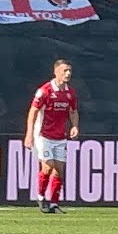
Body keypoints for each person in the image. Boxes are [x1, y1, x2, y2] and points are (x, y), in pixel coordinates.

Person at [24, 59, 80, 214]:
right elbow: (33, 112)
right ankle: (41, 197)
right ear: (56, 72)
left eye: (69, 70)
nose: (68, 73)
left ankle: (54, 203)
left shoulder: (70, 93)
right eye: (64, 70)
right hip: (43, 135)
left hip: (60, 136)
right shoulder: (45, 91)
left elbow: (73, 111)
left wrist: (75, 126)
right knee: (48, 167)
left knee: (59, 170)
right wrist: (29, 135)